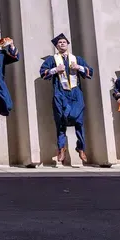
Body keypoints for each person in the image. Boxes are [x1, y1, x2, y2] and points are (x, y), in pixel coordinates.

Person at [39, 33, 93, 165]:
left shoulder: (77, 59)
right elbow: (42, 73)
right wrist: (55, 70)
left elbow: (90, 72)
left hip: (75, 94)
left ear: (67, 44)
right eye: (59, 43)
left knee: (79, 121)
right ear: (56, 46)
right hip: (60, 94)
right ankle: (61, 148)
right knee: (61, 121)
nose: (62, 44)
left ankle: (80, 148)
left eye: (64, 42)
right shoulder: (52, 60)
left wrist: (78, 67)